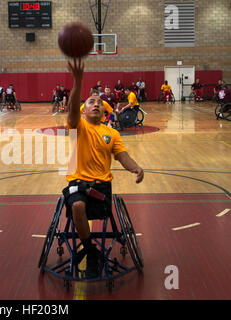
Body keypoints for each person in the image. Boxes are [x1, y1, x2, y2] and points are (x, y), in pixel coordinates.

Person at [65, 58, 144, 278]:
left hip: (102, 187)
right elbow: (72, 109)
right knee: (78, 207)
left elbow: (122, 156)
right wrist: (78, 81)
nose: (96, 104)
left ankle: (89, 250)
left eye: (99, 102)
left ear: (104, 110)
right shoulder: (77, 126)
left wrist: (136, 167)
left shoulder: (113, 133)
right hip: (77, 183)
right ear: (84, 109)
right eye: (91, 102)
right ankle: (91, 252)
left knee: (86, 206)